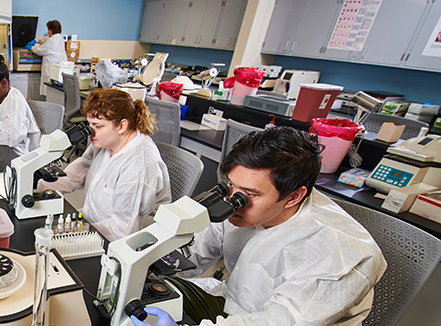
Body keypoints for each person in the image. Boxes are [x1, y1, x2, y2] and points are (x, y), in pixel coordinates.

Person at [132, 127, 387, 326]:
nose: (233, 201)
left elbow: (281, 321)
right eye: (230, 185)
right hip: (235, 305)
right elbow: (193, 253)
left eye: (249, 194)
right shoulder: (240, 206)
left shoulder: (336, 252)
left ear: (294, 197)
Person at [38, 89, 171, 241]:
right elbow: (76, 175)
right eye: (89, 124)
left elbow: (121, 230)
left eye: (97, 126)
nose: (90, 132)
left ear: (121, 126)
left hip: (122, 241)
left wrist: (74, 234)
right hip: (92, 222)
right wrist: (39, 185)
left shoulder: (138, 166)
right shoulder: (106, 142)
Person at [28, 20, 67, 96]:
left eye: (48, 30)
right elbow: (46, 39)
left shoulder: (51, 41)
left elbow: (39, 50)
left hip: (51, 69)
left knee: (50, 92)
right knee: (57, 93)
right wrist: (36, 40)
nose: (48, 32)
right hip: (59, 69)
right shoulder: (60, 38)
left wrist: (32, 47)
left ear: (50, 30)